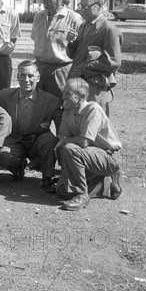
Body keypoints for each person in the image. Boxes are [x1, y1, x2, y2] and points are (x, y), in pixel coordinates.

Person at [52, 78, 123, 211]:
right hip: (89, 155)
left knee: (69, 148)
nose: (63, 97)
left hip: (109, 156)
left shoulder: (93, 109)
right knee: (62, 192)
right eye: (64, 93)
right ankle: (104, 182)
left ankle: (82, 195)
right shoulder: (68, 110)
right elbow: (63, 138)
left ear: (82, 96)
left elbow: (84, 141)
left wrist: (65, 141)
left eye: (68, 94)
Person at [0, 61, 62, 190]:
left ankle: (47, 178)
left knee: (50, 139)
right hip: (15, 141)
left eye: (31, 76)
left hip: (37, 141)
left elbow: (61, 129)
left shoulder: (51, 101)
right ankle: (17, 167)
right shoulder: (5, 96)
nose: (27, 80)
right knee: (4, 157)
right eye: (22, 75)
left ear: (38, 77)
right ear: (17, 77)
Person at [67, 0, 123, 116]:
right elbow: (73, 55)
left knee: (95, 124)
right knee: (78, 123)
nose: (82, 10)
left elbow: (114, 62)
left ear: (99, 6)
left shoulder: (109, 29)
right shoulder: (83, 25)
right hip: (78, 85)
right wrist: (72, 42)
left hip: (95, 87)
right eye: (80, 6)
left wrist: (86, 67)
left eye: (85, 6)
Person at [31, 0, 83, 100]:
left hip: (61, 71)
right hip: (39, 68)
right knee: (38, 107)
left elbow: (81, 48)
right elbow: (35, 39)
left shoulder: (74, 18)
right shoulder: (38, 17)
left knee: (60, 107)